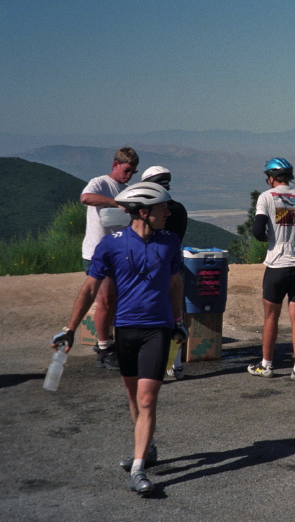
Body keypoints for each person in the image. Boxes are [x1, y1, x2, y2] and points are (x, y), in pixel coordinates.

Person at [51, 182, 185, 495]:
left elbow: (175, 285)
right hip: (125, 329)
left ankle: (138, 469)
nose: (168, 212)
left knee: (147, 398)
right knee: (132, 396)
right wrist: (70, 328)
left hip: (157, 329)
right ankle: (147, 447)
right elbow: (89, 290)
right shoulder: (111, 245)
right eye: (162, 207)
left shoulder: (170, 242)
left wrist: (178, 322)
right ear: (143, 212)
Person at [248, 158, 295, 383]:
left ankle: (266, 365)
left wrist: (273, 239)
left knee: (271, 317)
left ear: (271, 178)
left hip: (277, 264)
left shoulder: (266, 197)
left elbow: (258, 231)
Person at [80, 147, 140, 370]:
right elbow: (85, 197)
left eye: (132, 172)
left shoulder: (127, 188)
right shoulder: (100, 183)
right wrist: (116, 203)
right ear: (115, 165)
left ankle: (111, 342)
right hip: (98, 253)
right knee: (105, 300)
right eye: (126, 170)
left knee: (117, 300)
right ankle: (104, 348)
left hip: (119, 254)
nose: (128, 175)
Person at [141, 166, 189, 379]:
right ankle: (175, 364)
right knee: (175, 317)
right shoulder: (178, 209)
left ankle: (154, 364)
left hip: (152, 270)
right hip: (174, 267)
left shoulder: (151, 212)